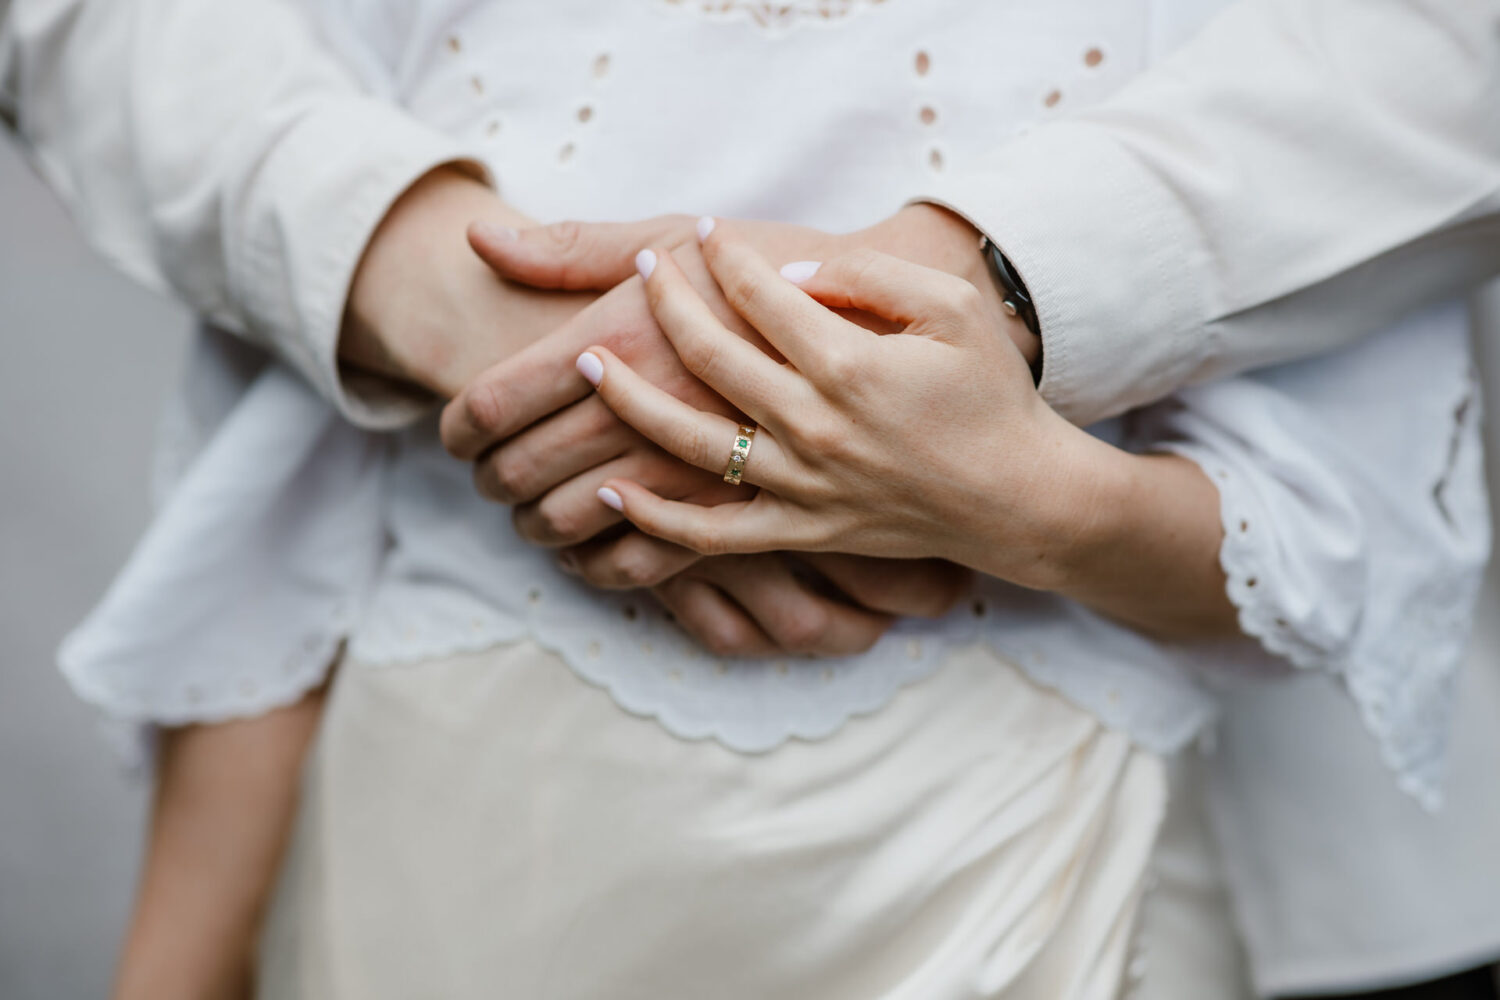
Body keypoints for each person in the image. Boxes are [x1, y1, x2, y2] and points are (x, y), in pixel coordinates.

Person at [1, 2, 1497, 999]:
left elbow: (1311, 532)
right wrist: (405, 264)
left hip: (1045, 843)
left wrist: (1007, 454)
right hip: (459, 821)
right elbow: (270, 529)